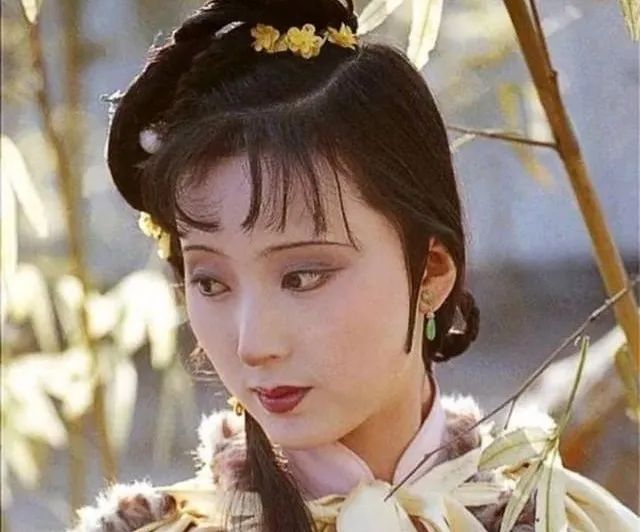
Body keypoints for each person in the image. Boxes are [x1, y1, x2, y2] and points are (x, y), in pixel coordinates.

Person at [71, 0, 639, 530]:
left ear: (431, 272)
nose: (253, 344)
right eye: (211, 282)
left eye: (302, 277)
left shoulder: (563, 519)